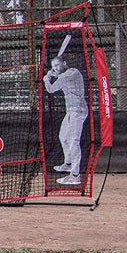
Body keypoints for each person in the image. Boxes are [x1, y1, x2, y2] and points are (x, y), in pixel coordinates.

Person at [42, 51, 90, 187]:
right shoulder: (62, 77)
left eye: (58, 65)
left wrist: (52, 75)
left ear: (64, 63)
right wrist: (47, 80)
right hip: (70, 112)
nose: (56, 67)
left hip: (78, 111)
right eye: (54, 66)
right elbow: (51, 89)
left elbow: (63, 77)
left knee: (73, 141)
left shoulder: (73, 72)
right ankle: (68, 164)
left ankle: (75, 176)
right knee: (63, 137)